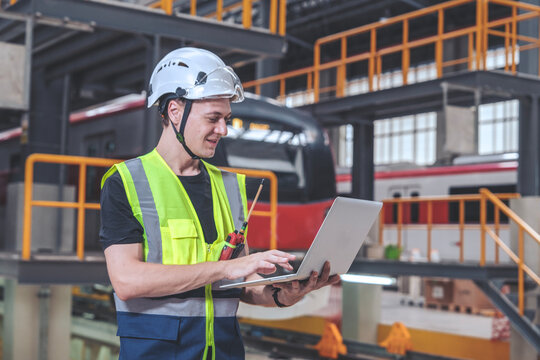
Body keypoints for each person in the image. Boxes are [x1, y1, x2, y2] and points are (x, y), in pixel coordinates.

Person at [99, 47, 339, 360]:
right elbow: (127, 281)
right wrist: (227, 267)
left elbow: (243, 283)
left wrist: (280, 295)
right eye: (213, 119)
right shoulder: (126, 182)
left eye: (226, 119)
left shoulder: (230, 186)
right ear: (174, 111)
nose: (223, 130)